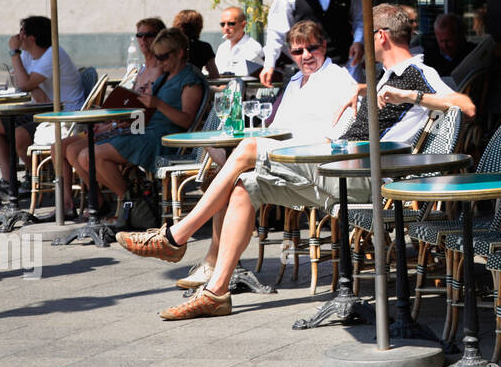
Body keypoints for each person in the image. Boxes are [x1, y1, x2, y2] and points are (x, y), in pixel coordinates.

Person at [114, 20, 361, 318]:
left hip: (323, 167)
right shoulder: (296, 82)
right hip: (292, 164)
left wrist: (257, 147)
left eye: (313, 47)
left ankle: (176, 237)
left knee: (246, 149)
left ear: (324, 47)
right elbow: (277, 129)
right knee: (240, 184)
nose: (306, 55)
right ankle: (216, 291)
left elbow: (336, 138)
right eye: (297, 50)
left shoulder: (338, 78)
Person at [69, 27, 205, 207]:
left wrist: (157, 104)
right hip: (144, 130)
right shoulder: (166, 77)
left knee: (90, 156)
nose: (159, 61)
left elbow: (188, 121)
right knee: (83, 155)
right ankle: (131, 201)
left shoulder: (189, 79)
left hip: (162, 139)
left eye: (163, 56)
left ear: (179, 53)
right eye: (156, 56)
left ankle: (134, 204)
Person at [340, 4, 477, 143]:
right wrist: (362, 89)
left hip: (365, 161)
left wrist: (409, 96)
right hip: (346, 153)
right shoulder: (386, 73)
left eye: (366, 35)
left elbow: (468, 109)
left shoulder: (416, 72)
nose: (363, 43)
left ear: (381, 36)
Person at [0, 15, 87, 190]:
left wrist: (14, 53)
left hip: (64, 115)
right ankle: (9, 180)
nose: (17, 37)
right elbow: (20, 82)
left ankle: (33, 176)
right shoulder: (29, 54)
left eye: (21, 32)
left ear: (30, 38)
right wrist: (33, 87)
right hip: (42, 110)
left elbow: (23, 82)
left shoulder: (53, 55)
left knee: (19, 135)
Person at [422, 11, 475, 77]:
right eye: (441, 41)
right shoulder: (428, 57)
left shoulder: (473, 54)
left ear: (460, 36)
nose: (445, 46)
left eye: (449, 40)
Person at [213, 6, 263, 76]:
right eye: (222, 24)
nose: (226, 28)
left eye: (231, 24)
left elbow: (246, 78)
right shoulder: (222, 48)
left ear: (243, 25)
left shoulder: (253, 47)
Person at [172, 10, 220, 80]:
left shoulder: (169, 45)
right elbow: (214, 75)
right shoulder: (204, 47)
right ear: (199, 27)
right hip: (194, 86)